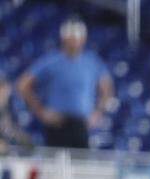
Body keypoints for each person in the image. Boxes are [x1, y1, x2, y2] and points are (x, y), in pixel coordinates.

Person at [16, 17, 113, 149]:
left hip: (81, 124)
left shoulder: (92, 62)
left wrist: (98, 113)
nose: (74, 41)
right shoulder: (51, 61)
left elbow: (107, 88)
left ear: (83, 39)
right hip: (57, 124)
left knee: (80, 165)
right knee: (54, 165)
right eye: (71, 37)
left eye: (77, 37)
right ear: (64, 38)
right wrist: (41, 111)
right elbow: (23, 85)